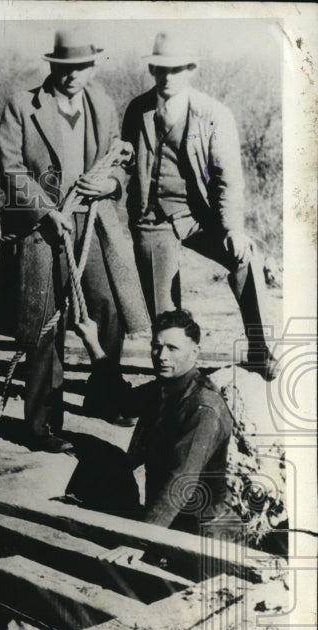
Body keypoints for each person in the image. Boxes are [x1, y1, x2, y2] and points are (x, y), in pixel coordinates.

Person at [0, 28, 149, 453]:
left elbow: (121, 162)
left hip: (94, 225)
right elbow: (9, 168)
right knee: (47, 323)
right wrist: (47, 210)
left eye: (81, 67)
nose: (73, 75)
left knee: (107, 308)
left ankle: (105, 395)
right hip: (45, 229)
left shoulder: (102, 102)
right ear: (53, 65)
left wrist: (111, 185)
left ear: (93, 67)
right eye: (65, 67)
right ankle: (42, 425)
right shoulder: (22, 106)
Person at [122, 32, 277, 381]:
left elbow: (228, 178)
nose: (167, 77)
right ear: (151, 69)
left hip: (199, 215)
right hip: (152, 218)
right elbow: (127, 164)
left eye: (175, 69)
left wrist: (233, 229)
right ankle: (173, 382)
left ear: (190, 69)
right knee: (163, 311)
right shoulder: (137, 110)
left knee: (246, 258)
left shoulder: (213, 114)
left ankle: (260, 350)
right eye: (160, 69)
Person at [74, 308, 240, 540]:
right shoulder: (164, 389)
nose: (161, 356)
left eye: (172, 348)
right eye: (156, 346)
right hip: (167, 524)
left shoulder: (204, 408)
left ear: (195, 352)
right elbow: (122, 400)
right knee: (99, 456)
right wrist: (92, 342)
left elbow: (180, 482)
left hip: (205, 535)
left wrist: (140, 542)